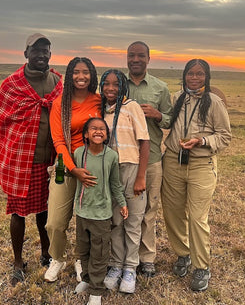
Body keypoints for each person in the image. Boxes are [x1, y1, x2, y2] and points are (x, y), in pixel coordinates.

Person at [0, 33, 63, 286]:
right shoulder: (11, 85)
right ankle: (18, 261)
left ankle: (46, 253)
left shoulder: (58, 83)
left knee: (46, 210)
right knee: (18, 213)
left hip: (51, 161)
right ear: (26, 54)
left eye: (46, 51)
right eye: (36, 50)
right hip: (22, 161)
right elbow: (3, 124)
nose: (42, 55)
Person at [161, 59, 231, 291]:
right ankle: (183, 254)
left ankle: (202, 267)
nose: (194, 78)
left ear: (207, 76)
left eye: (199, 74)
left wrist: (201, 140)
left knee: (198, 217)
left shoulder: (214, 102)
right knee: (172, 213)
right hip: (173, 160)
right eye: (190, 73)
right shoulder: (177, 97)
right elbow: (168, 121)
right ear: (184, 75)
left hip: (201, 163)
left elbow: (224, 136)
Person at [44, 57, 101, 283]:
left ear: (92, 75)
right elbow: (58, 141)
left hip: (92, 167)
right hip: (64, 167)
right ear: (70, 75)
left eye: (85, 72)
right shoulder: (61, 103)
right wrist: (73, 168)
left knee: (85, 220)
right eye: (76, 72)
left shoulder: (98, 101)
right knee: (55, 222)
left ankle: (80, 258)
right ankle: (56, 258)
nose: (81, 77)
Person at [99, 69, 150, 293]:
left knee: (133, 220)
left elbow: (145, 142)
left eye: (116, 84)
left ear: (123, 87)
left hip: (131, 169)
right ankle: (116, 265)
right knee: (116, 221)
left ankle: (130, 267)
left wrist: (141, 176)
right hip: (110, 171)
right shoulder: (101, 110)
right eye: (106, 84)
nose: (111, 89)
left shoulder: (132, 107)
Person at [126, 41, 172, 277]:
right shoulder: (116, 84)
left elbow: (171, 120)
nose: (136, 59)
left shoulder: (160, 88)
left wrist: (157, 115)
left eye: (140, 56)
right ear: (126, 58)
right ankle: (124, 256)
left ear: (148, 58)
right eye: (131, 55)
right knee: (121, 208)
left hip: (152, 157)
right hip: (121, 158)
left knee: (149, 210)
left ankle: (147, 257)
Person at [73, 117, 128, 305]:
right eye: (93, 129)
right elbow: (69, 173)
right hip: (81, 213)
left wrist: (122, 203)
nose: (98, 131)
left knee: (100, 253)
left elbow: (115, 183)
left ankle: (96, 290)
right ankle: (87, 279)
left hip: (102, 215)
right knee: (84, 250)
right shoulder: (78, 153)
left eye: (102, 129)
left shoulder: (111, 156)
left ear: (106, 135)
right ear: (86, 134)